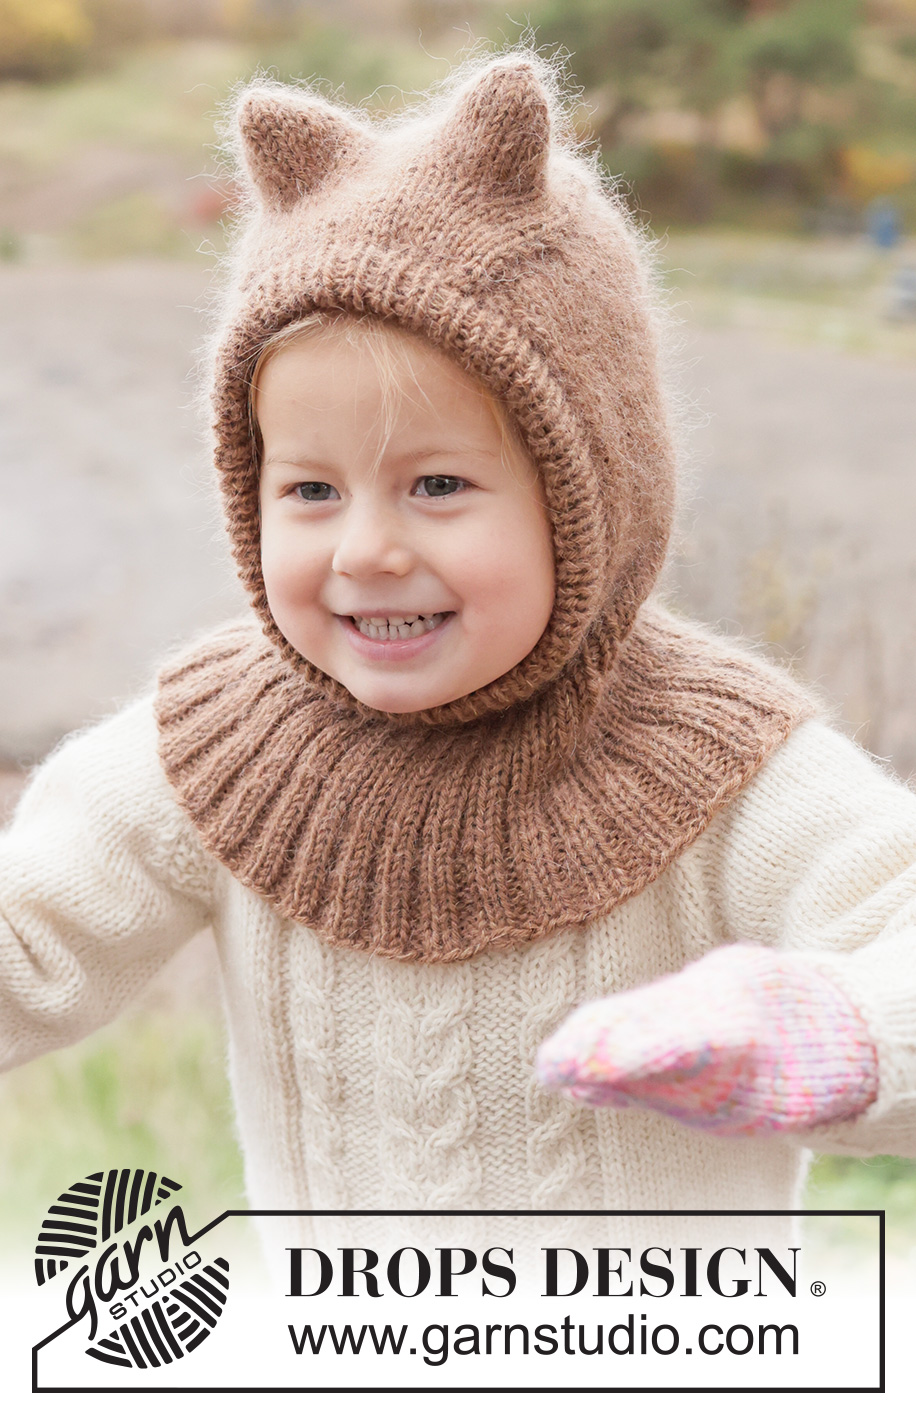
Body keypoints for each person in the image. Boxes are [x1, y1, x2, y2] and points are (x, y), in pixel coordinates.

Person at [2, 54, 915, 1232]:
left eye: (437, 484)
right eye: (310, 489)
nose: (367, 550)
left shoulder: (719, 764)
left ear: (591, 494)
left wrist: (832, 1030)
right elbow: (30, 936)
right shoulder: (211, 748)